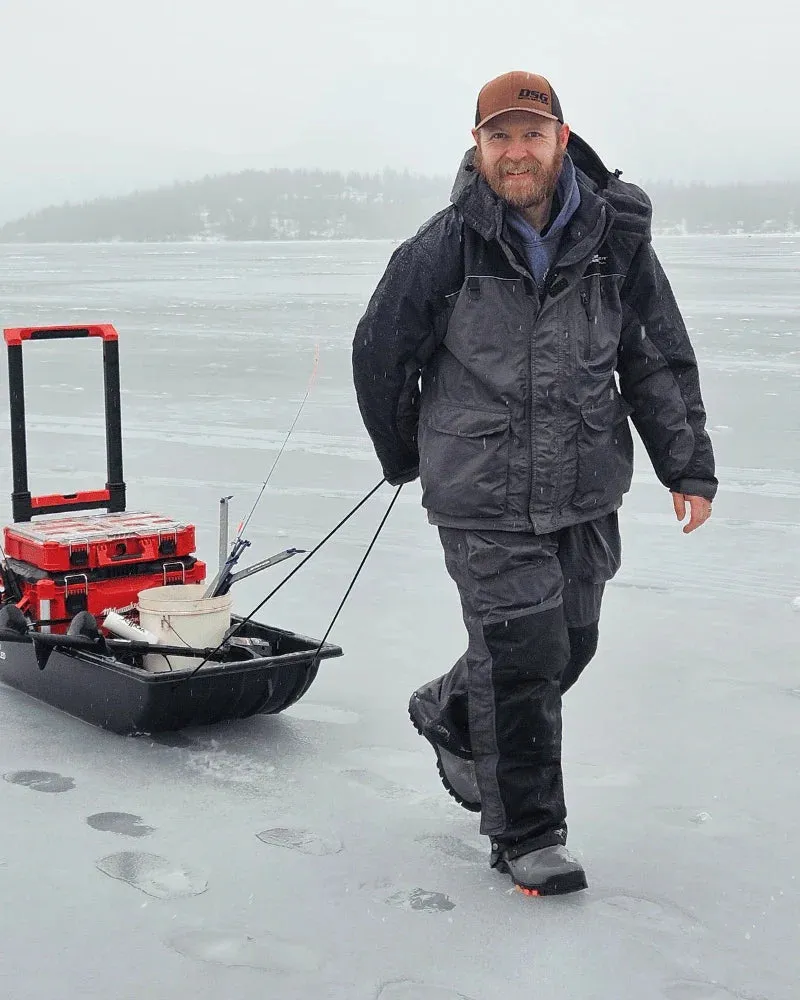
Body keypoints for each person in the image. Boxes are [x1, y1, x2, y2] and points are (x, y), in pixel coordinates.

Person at [351, 70, 717, 897]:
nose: (516, 153)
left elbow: (653, 353)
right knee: (523, 656)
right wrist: (407, 452)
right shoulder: (443, 248)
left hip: (585, 483)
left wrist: (686, 461)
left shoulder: (614, 241)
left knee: (571, 644)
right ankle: (529, 836)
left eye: (531, 134)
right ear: (476, 148)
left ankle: (448, 710)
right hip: (481, 492)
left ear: (561, 138)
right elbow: (380, 354)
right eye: (499, 137)